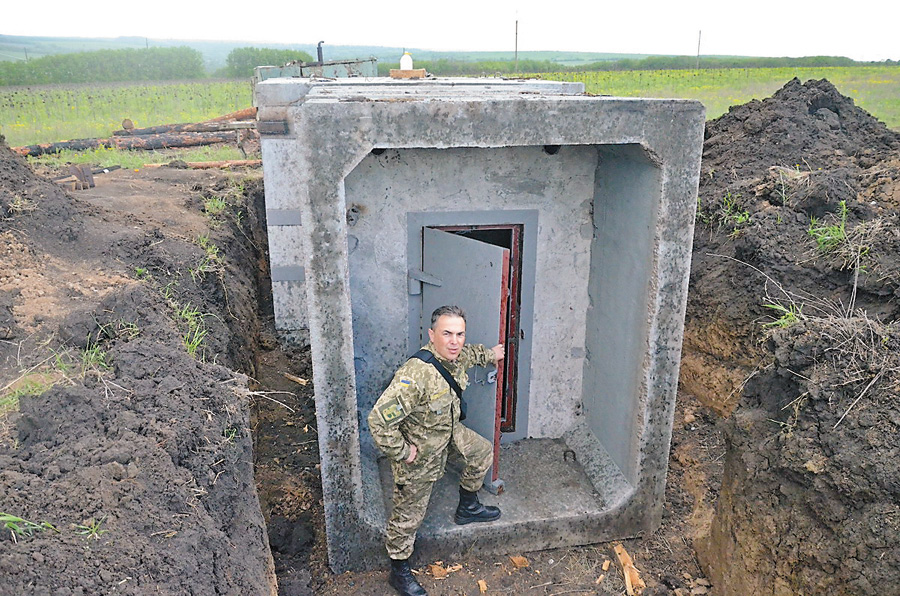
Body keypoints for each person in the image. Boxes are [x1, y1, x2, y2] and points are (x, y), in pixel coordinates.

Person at [368, 305, 505, 596]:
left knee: (481, 453)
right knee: (408, 518)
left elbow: (474, 353)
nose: (454, 341)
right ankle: (399, 570)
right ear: (432, 335)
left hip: (449, 436)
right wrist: (403, 452)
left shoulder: (457, 356)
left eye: (459, 334)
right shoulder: (415, 376)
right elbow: (379, 421)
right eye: (447, 334)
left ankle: (467, 507)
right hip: (420, 456)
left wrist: (492, 354)